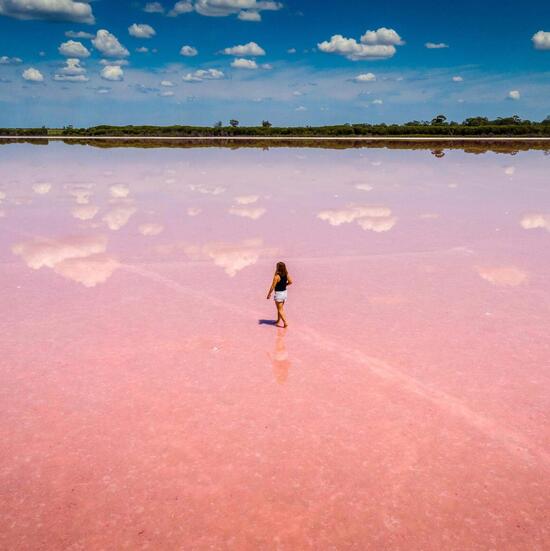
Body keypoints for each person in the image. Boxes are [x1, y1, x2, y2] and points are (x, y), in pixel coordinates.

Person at [266, 261, 292, 328]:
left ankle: (285, 322)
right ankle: (278, 320)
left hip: (279, 294)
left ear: (278, 268)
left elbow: (272, 286)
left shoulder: (277, 277)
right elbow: (291, 282)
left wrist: (269, 294)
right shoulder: (286, 274)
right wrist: (285, 284)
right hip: (284, 293)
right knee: (280, 308)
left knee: (280, 309)